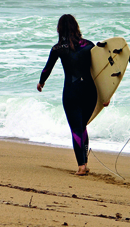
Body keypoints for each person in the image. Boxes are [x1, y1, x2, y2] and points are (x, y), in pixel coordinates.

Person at [37, 14, 97, 176]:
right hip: (91, 92)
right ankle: (84, 162)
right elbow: (101, 70)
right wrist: (106, 95)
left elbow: (47, 68)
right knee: (82, 126)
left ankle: (82, 166)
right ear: (76, 27)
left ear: (59, 29)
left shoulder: (58, 48)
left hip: (72, 92)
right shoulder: (89, 46)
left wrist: (41, 82)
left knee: (76, 129)